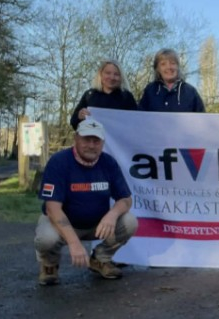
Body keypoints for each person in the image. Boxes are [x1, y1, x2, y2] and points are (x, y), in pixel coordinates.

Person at [34, 119, 138, 286]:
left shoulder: (109, 162)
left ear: (102, 143)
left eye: (96, 141)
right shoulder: (59, 162)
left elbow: (126, 199)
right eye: (86, 139)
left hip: (96, 225)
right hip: (63, 224)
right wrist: (74, 243)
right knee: (47, 238)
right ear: (76, 138)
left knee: (129, 222)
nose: (91, 145)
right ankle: (49, 265)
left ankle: (100, 259)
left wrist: (112, 215)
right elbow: (52, 208)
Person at [70, 59, 138, 130]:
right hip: (94, 136)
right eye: (108, 73)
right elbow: (73, 122)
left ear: (121, 77)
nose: (112, 77)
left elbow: (136, 122)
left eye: (116, 74)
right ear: (100, 75)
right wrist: (79, 116)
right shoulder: (90, 95)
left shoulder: (127, 97)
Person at [139, 48, 205, 112]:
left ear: (178, 67)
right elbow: (139, 116)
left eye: (172, 63)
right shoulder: (150, 91)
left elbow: (201, 117)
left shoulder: (190, 92)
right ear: (157, 69)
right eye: (163, 64)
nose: (168, 67)